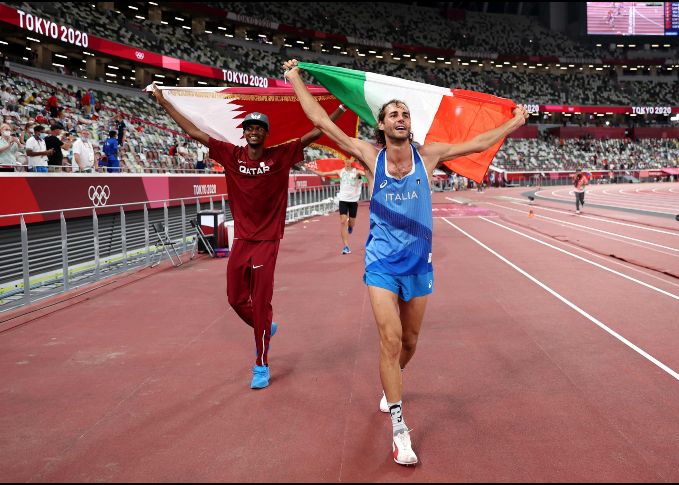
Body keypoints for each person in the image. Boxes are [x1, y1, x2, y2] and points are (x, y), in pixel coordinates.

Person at [284, 58, 528, 466]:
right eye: (394, 114)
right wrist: (295, 79)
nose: (401, 118)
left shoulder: (428, 155)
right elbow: (323, 122)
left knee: (410, 343)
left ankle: (390, 381)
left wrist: (513, 123)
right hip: (381, 261)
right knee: (390, 339)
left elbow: (479, 144)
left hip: (419, 263)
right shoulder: (369, 154)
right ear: (381, 125)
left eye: (405, 114)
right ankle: (399, 428)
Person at [152, 84, 346, 390]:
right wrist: (164, 103)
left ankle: (261, 364)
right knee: (234, 298)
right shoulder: (230, 154)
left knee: (260, 303)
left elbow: (314, 133)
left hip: (268, 241)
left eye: (259, 128)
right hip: (242, 238)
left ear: (266, 134)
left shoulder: (280, 156)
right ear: (244, 133)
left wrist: (340, 109)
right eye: (249, 127)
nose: (254, 131)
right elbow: (193, 132)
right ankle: (266, 328)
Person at [308, 158, 366, 254]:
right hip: (343, 200)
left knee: (352, 223)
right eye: (346, 161)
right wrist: (311, 169)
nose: (347, 163)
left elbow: (364, 174)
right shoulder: (340, 171)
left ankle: (350, 226)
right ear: (344, 162)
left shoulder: (356, 172)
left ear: (352, 162)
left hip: (353, 201)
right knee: (343, 222)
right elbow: (323, 174)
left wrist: (361, 171)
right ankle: (346, 246)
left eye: (349, 161)